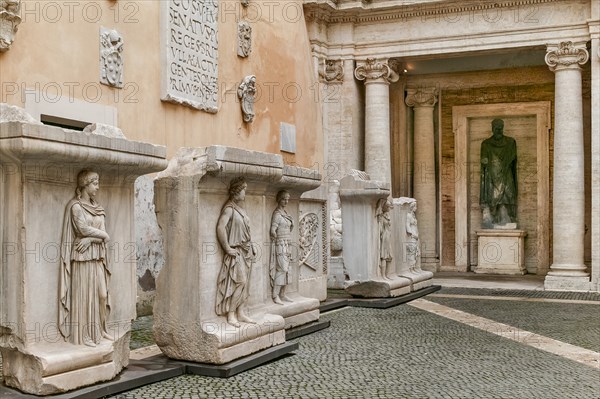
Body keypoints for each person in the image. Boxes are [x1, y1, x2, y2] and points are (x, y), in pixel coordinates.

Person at [59, 170, 112, 347]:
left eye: (98, 183)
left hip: (96, 256)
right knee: (85, 298)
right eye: (95, 183)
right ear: (85, 184)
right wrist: (100, 236)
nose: (97, 187)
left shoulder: (98, 208)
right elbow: (82, 229)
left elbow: (102, 234)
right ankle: (83, 335)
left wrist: (92, 239)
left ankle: (101, 330)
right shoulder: (75, 206)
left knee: (102, 295)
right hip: (81, 258)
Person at [216, 177, 257, 327]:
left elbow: (247, 231)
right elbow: (221, 227)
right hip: (237, 251)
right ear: (236, 191)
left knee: (246, 284)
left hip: (246, 252)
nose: (245, 193)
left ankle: (241, 312)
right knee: (240, 282)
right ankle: (231, 314)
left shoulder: (241, 209)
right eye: (244, 190)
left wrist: (251, 247)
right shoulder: (229, 209)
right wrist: (227, 247)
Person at [479, 118, 518, 227]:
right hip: (493, 175)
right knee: (493, 196)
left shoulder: (510, 142)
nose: (499, 130)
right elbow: (484, 162)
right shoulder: (486, 144)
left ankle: (507, 218)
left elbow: (513, 159)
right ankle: (494, 219)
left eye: (500, 128)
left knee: (509, 194)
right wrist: (486, 161)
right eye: (496, 128)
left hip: (506, 173)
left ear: (503, 128)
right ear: (492, 128)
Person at [269, 190, 294, 305]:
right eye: (284, 199)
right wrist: (274, 234)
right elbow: (273, 230)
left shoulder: (285, 213)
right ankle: (275, 295)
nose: (286, 201)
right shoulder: (277, 214)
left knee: (288, 269)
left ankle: (283, 294)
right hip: (280, 244)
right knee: (282, 269)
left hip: (287, 243)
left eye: (287, 199)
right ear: (279, 199)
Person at [376, 198, 393, 280]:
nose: (390, 208)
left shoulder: (387, 216)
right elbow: (380, 230)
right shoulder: (382, 217)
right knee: (384, 256)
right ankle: (383, 275)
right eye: (389, 206)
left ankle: (388, 274)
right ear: (385, 207)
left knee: (390, 256)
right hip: (385, 236)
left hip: (388, 236)